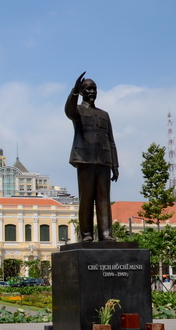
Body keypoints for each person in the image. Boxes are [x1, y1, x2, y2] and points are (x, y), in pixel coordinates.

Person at [65, 72, 119, 242]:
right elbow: (69, 110)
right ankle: (87, 235)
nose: (92, 92)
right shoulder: (78, 110)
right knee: (86, 198)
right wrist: (74, 90)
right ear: (82, 92)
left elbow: (111, 140)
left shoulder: (104, 114)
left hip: (104, 160)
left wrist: (115, 165)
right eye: (88, 89)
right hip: (84, 159)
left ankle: (106, 234)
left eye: (94, 89)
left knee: (104, 199)